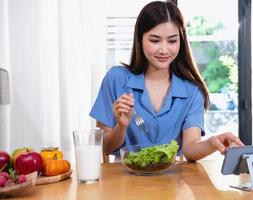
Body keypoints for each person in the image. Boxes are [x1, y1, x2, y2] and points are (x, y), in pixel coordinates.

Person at [90, 1, 243, 161]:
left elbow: (190, 148)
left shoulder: (192, 91)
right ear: (139, 39)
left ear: (181, 41)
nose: (164, 50)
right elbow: (103, 147)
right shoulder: (116, 79)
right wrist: (121, 127)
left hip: (172, 182)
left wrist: (212, 143)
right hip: (124, 181)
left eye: (172, 41)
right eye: (155, 41)